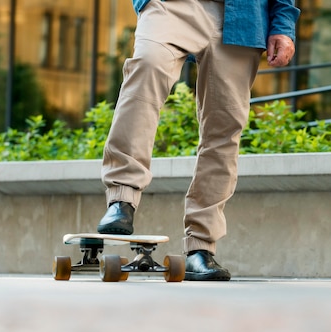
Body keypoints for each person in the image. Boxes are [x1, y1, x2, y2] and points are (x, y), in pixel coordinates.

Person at [96, 0, 300, 281]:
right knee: (146, 69)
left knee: (224, 128)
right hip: (172, 6)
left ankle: (200, 248)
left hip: (242, 16)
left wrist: (283, 26)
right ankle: (122, 198)